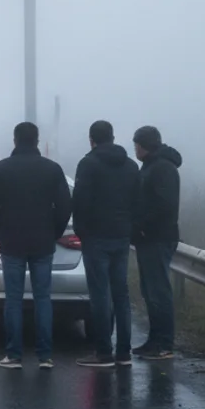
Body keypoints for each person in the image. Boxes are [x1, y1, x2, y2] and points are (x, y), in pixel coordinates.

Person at [0, 122, 73, 369]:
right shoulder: (52, 170)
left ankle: (14, 355)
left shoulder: (1, 169)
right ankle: (45, 356)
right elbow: (65, 206)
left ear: (15, 140)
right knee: (43, 297)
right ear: (36, 140)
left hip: (12, 241)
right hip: (43, 242)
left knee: (13, 298)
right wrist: (54, 231)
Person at [72, 120, 140, 368]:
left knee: (100, 294)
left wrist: (82, 231)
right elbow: (137, 200)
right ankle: (124, 352)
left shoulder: (88, 164)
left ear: (92, 139)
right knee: (121, 293)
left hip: (96, 236)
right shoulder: (131, 166)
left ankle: (103, 352)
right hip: (122, 235)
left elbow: (80, 201)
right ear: (112, 137)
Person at [132, 125, 183, 360]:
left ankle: (164, 344)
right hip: (149, 238)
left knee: (158, 291)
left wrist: (143, 226)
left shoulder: (162, 168)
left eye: (136, 144)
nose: (135, 149)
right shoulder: (152, 166)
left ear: (143, 145)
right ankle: (154, 340)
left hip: (157, 237)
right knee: (150, 291)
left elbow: (165, 205)